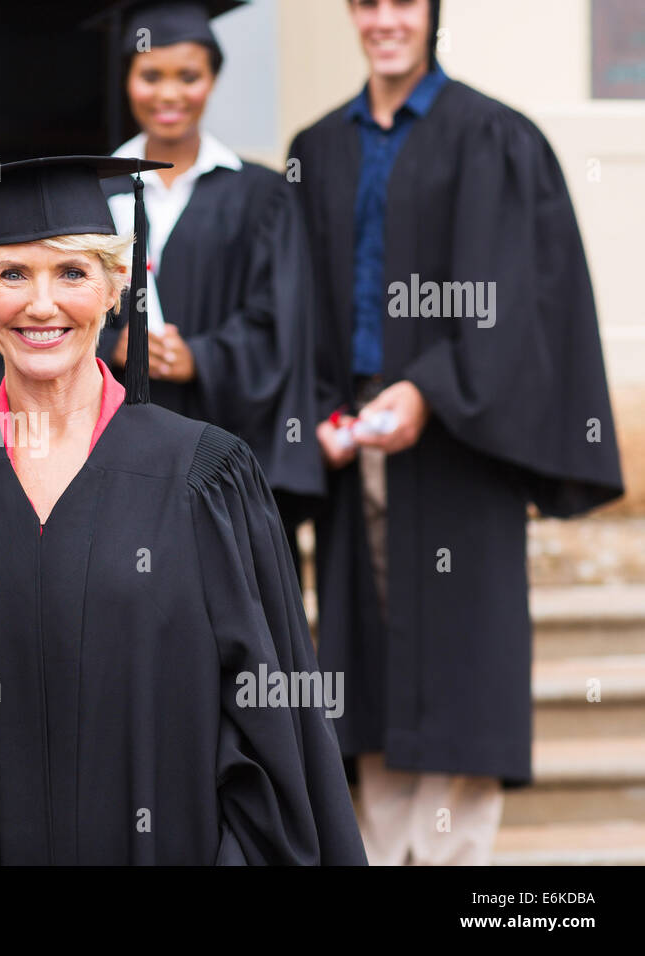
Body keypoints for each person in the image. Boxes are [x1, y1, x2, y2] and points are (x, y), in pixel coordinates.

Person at [0, 156, 367, 864]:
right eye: (12, 274)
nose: (41, 304)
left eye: (72, 273)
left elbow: (268, 719)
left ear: (115, 289)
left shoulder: (206, 476)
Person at [288, 0, 622, 864]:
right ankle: (379, 848)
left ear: (432, 12)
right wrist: (318, 409)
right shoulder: (317, 147)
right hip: (354, 434)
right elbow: (296, 306)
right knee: (364, 652)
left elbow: (516, 300)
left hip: (460, 444)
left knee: (462, 651)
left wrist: (430, 391)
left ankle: (455, 860)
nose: (385, 19)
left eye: (403, 1)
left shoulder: (494, 137)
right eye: (367, 3)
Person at [95, 0, 323, 548]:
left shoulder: (261, 195)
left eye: (188, 76)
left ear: (213, 80)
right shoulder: (91, 193)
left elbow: (281, 320)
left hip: (226, 442)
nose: (169, 94)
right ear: (128, 79)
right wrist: (111, 346)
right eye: (151, 75)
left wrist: (202, 357)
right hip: (112, 447)